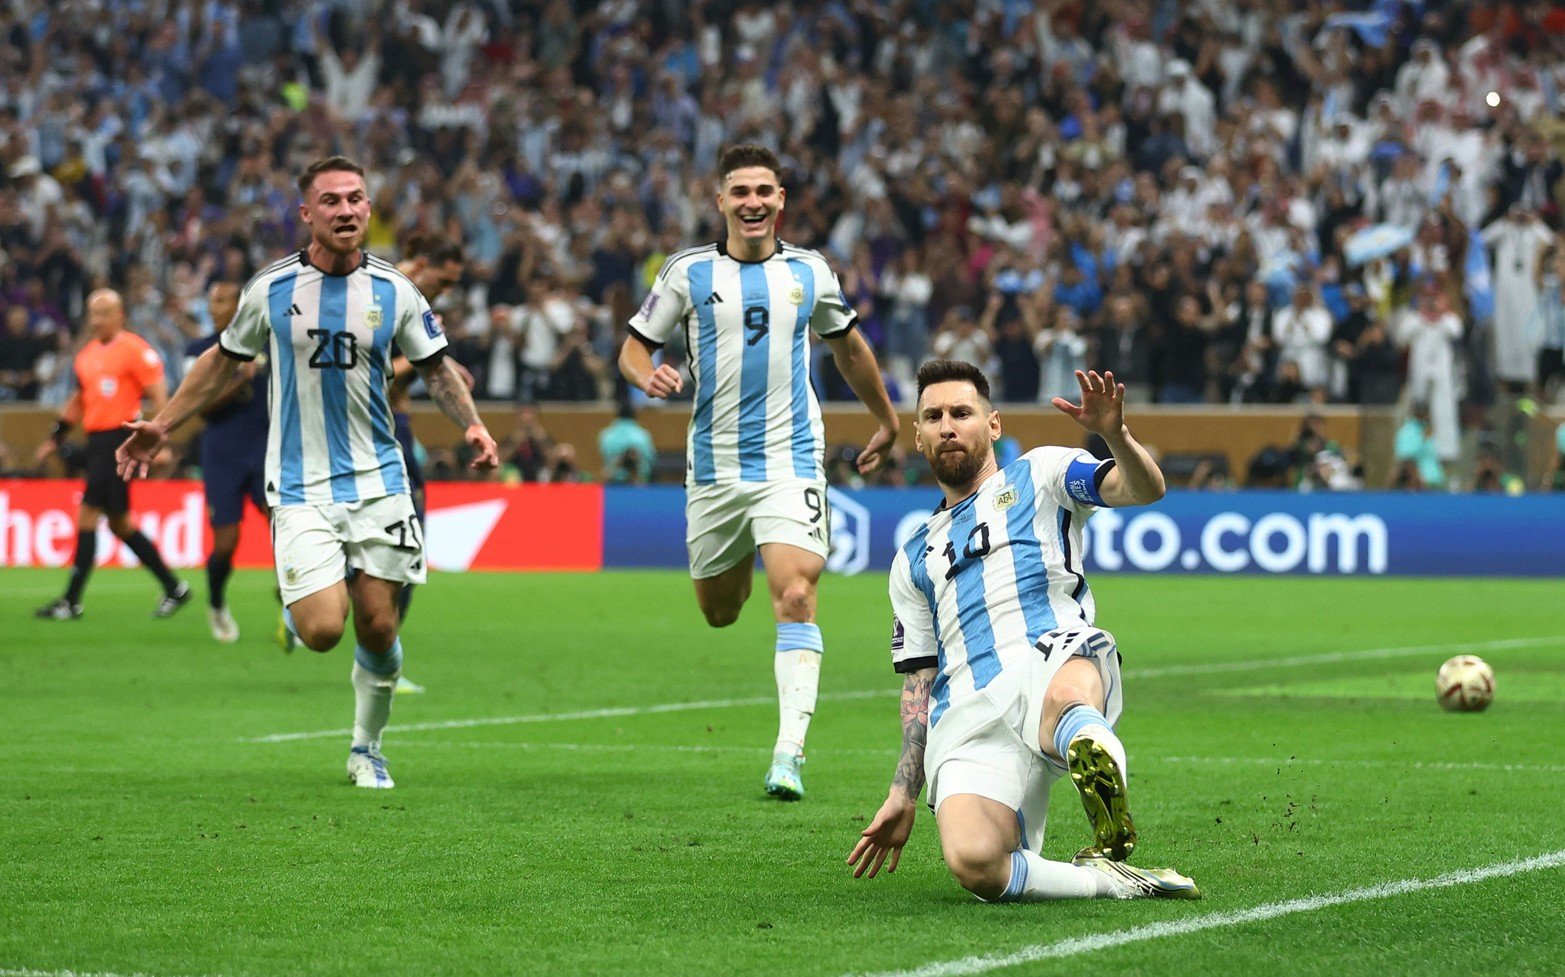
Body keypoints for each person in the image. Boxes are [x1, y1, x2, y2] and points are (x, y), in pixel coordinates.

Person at [116, 156, 499, 789]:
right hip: (298, 485)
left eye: (356, 199)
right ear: (307, 214)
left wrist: (474, 426)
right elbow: (222, 359)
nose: (346, 210)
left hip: (380, 479)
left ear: (369, 209)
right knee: (322, 631)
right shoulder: (271, 289)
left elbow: (436, 367)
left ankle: (365, 749)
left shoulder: (396, 290)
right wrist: (165, 423)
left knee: (379, 623)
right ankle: (321, 573)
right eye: (331, 201)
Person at [847, 360, 1199, 902]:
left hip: (1049, 652)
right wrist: (903, 791)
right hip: (967, 708)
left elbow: (1141, 488)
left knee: (1069, 705)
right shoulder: (911, 557)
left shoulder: (1041, 473)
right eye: (933, 416)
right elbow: (920, 680)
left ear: (993, 424)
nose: (947, 426)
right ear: (916, 436)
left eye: (962, 413)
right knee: (975, 863)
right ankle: (1107, 881)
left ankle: (1091, 758)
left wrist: (1114, 435)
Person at [618, 144, 900, 800]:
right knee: (719, 611)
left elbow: (849, 345)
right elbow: (634, 347)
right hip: (713, 470)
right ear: (719, 201)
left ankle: (787, 753)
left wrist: (885, 419)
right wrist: (646, 373)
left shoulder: (809, 271)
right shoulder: (686, 272)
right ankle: (745, 561)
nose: (752, 202)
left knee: (796, 595)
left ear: (780, 201)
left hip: (790, 461)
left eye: (763, 191)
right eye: (738, 191)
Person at [33, 289, 191, 620]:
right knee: (120, 524)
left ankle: (71, 601)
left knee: (88, 514)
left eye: (104, 312)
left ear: (120, 315)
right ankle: (175, 588)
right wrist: (56, 437)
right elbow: (79, 400)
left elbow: (159, 395)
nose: (96, 320)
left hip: (120, 441)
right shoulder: (86, 355)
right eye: (93, 313)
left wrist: (159, 442)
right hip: (96, 442)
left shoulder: (135, 350)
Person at [373, 233, 470, 694]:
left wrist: (439, 364)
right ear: (422, 264)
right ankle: (382, 660)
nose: (445, 291)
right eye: (443, 280)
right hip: (376, 427)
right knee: (409, 543)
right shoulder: (386, 296)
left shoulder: (407, 299)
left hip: (398, 426)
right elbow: (376, 369)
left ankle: (300, 607)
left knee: (402, 544)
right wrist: (431, 359)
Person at [183, 280, 269, 642]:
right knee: (226, 543)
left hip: (266, 448)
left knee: (286, 528)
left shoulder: (267, 344)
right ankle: (217, 602)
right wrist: (238, 381)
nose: (215, 307)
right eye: (212, 300)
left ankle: (297, 599)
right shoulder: (200, 350)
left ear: (239, 305)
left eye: (222, 300)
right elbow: (201, 406)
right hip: (222, 454)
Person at [598, 399, 657, 484]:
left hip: (613, 483)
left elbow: (604, 457)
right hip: (639, 484)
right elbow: (651, 459)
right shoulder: (643, 435)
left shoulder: (605, 435)